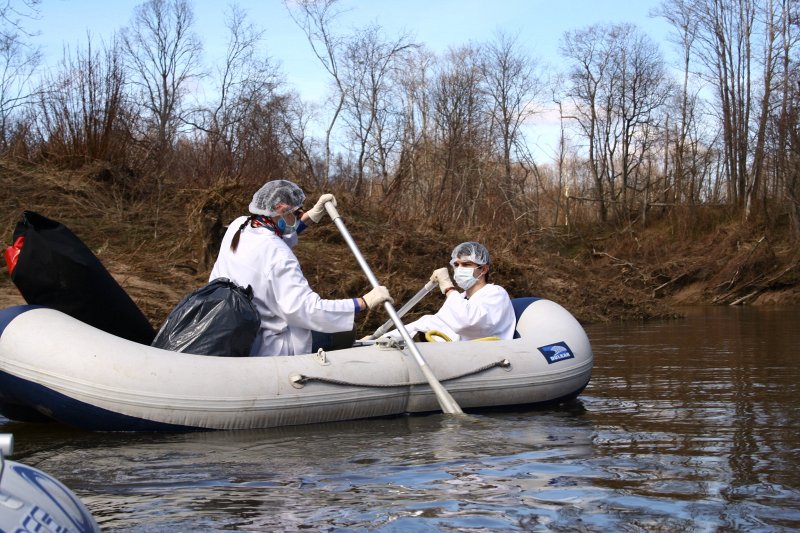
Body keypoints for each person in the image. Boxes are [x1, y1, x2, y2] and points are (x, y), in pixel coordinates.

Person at [210, 179, 393, 356]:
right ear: (281, 209)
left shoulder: (239, 225)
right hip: (267, 342)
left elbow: (276, 236)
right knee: (347, 332)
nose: (298, 217)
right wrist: (362, 302)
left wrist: (311, 216)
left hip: (231, 324)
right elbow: (305, 309)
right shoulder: (280, 256)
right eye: (296, 213)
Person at [383, 242, 516, 342]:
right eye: (457, 265)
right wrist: (385, 338)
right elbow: (431, 322)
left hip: (487, 360)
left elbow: (468, 323)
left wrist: (448, 288)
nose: (459, 269)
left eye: (466, 264)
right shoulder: (461, 299)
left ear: (484, 269)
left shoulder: (496, 294)